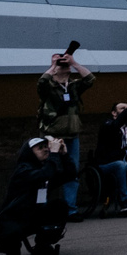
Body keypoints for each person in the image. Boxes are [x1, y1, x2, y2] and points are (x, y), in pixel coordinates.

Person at [0, 137, 72, 255]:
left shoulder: (45, 167)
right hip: (13, 219)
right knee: (12, 249)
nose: (45, 149)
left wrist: (64, 155)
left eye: (46, 147)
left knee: (59, 206)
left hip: (33, 215)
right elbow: (44, 174)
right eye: (40, 148)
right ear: (29, 153)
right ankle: (10, 246)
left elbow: (69, 175)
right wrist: (54, 155)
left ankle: (43, 244)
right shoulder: (23, 170)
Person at [36, 49, 94, 215]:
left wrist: (74, 63)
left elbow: (90, 79)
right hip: (51, 136)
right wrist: (53, 66)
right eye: (62, 65)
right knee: (46, 174)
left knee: (72, 172)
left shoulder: (74, 86)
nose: (64, 65)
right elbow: (41, 82)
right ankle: (41, 209)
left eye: (65, 63)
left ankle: (70, 210)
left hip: (72, 136)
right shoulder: (49, 86)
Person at [94, 102, 127, 214]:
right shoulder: (108, 125)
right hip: (107, 164)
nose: (126, 110)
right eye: (122, 108)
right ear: (114, 113)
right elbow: (115, 126)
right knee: (120, 164)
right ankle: (124, 201)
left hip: (125, 163)